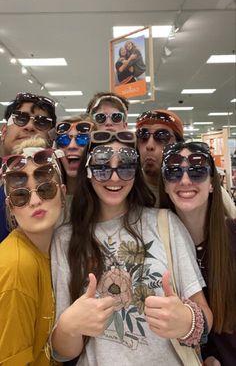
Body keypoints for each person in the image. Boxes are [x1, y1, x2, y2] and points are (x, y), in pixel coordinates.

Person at [51, 130, 212, 365]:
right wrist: (69, 327)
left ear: (135, 173)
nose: (114, 178)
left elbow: (204, 312)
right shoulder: (65, 239)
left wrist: (188, 321)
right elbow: (64, 351)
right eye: (102, 167)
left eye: (125, 167)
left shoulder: (165, 223)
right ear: (88, 171)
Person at [159, 141, 236, 366]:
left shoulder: (232, 235)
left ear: (212, 183)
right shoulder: (157, 247)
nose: (185, 180)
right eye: (173, 172)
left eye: (197, 171)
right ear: (164, 185)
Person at [0, 137, 66, 365]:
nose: (36, 201)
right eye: (21, 195)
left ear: (63, 193)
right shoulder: (17, 265)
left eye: (46, 189)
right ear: (10, 206)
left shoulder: (55, 251)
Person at [136, 109, 236, 216]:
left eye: (162, 137)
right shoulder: (129, 190)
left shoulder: (203, 190)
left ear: (178, 146)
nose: (149, 145)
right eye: (143, 136)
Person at [0, 91, 57, 242]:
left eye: (42, 122)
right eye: (20, 118)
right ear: (4, 130)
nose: (30, 126)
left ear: (51, 139)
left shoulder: (58, 183)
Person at [55, 114, 96, 195]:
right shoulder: (46, 196)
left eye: (82, 139)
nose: (72, 146)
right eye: (63, 140)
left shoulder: (105, 199)